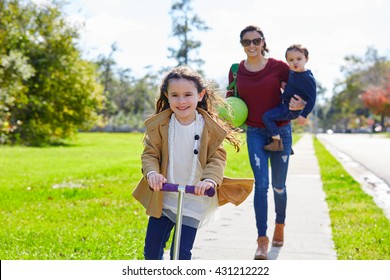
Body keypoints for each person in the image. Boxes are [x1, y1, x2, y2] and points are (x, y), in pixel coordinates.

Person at [133, 66, 253, 260]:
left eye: (188, 94)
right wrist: (152, 173)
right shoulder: (161, 125)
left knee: (180, 254)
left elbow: (217, 158)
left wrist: (210, 180)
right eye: (175, 95)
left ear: (200, 95)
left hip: (194, 197)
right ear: (167, 96)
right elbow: (150, 155)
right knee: (152, 251)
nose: (181, 101)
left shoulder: (209, 128)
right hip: (164, 196)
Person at [226, 25, 306, 260]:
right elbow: (232, 102)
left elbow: (298, 89)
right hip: (255, 133)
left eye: (256, 41)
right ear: (242, 44)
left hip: (281, 131)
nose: (251, 46)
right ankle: (262, 241)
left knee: (279, 187)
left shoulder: (279, 67)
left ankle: (279, 225)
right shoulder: (235, 71)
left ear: (263, 42)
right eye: (246, 42)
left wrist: (301, 105)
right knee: (261, 186)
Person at [263, 44, 317, 151]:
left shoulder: (307, 78)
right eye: (291, 60)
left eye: (299, 59)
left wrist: (304, 115)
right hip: (285, 104)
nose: (295, 62)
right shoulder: (293, 72)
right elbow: (294, 86)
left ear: (306, 59)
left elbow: (312, 99)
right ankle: (288, 145)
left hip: (291, 109)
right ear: (287, 61)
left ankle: (277, 142)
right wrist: (284, 85)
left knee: (267, 117)